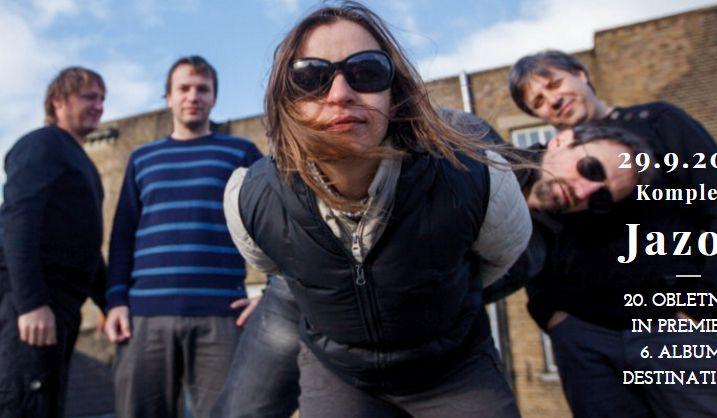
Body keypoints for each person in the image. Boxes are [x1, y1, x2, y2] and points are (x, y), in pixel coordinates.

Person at [223, 3, 531, 417]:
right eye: (310, 78)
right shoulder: (250, 198)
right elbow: (276, 267)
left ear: (394, 93)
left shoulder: (477, 174)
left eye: (367, 72)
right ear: (286, 100)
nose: (340, 94)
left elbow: (497, 260)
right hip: (339, 373)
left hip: (454, 369)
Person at [505, 50, 717, 417]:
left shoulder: (659, 123)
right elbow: (535, 243)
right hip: (585, 334)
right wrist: (553, 315)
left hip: (674, 323)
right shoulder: (549, 170)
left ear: (581, 73)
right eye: (538, 102)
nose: (553, 100)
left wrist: (702, 307)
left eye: (554, 84)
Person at [212, 107, 508, 418]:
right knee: (246, 406)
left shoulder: (491, 195)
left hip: (406, 325)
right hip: (304, 286)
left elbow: (496, 265)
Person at [103, 56, 262, 418]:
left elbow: (274, 222)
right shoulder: (142, 159)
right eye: (184, 88)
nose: (193, 96)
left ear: (214, 97)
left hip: (222, 316)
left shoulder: (240, 153)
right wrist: (115, 301)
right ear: (168, 97)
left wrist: (271, 291)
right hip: (145, 317)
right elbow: (123, 236)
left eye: (202, 89)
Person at [0, 67, 107, 418]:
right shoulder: (41, 145)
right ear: (58, 102)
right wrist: (31, 303)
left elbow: (86, 248)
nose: (99, 106)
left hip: (61, 310)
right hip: (29, 308)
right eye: (89, 97)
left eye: (102, 99)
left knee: (48, 405)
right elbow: (18, 220)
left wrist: (112, 303)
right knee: (23, 402)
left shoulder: (82, 163)